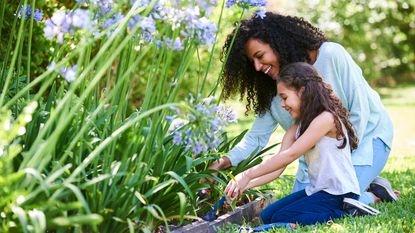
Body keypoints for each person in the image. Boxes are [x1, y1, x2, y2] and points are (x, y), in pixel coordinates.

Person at [210, 12, 397, 210]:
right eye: (252, 62)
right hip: (319, 158)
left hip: (367, 138)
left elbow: (361, 112)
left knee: (340, 203)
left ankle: (375, 194)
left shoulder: (331, 55)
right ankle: (368, 182)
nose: (257, 67)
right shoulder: (271, 91)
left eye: (260, 56)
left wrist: (341, 166)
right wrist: (223, 162)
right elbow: (255, 139)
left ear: (277, 43)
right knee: (303, 205)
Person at [225, 62, 368, 226]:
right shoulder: (296, 129)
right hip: (318, 191)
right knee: (267, 215)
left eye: (285, 97)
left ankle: (348, 212)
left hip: (339, 194)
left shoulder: (326, 119)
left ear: (302, 92)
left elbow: (290, 155)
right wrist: (244, 186)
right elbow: (278, 166)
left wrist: (246, 174)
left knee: (282, 217)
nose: (282, 104)